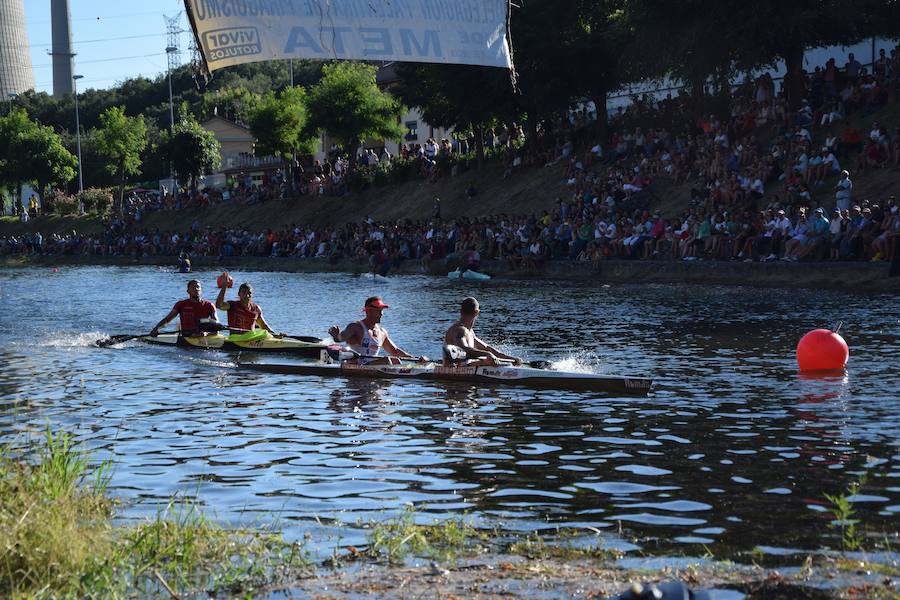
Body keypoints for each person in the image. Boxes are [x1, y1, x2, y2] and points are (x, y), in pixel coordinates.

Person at [328, 296, 426, 365]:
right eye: (378, 311)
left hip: (372, 366)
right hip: (356, 366)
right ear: (368, 311)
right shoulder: (355, 327)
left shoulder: (382, 332)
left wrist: (416, 359)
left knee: (395, 360)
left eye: (382, 311)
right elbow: (340, 338)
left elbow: (395, 351)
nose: (382, 314)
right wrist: (336, 336)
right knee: (387, 360)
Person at [443, 297, 523, 367]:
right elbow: (464, 349)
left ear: (461, 311)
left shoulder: (469, 332)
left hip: (465, 366)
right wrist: (487, 355)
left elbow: (487, 348)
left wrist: (511, 358)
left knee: (492, 360)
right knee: (489, 361)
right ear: (477, 313)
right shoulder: (459, 330)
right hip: (454, 368)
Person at [215, 272, 284, 336]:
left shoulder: (256, 309)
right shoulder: (232, 305)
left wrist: (276, 335)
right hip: (236, 339)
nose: (247, 295)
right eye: (244, 292)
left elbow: (264, 327)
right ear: (239, 294)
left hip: (251, 338)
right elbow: (218, 305)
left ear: (252, 295)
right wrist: (224, 287)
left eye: (249, 293)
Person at [150, 279, 218, 337]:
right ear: (188, 291)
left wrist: (206, 333)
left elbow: (216, 325)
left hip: (203, 336)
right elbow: (167, 319)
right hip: (186, 337)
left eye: (198, 287)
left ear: (201, 290)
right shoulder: (181, 304)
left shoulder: (210, 305)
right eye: (193, 287)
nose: (196, 289)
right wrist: (156, 328)